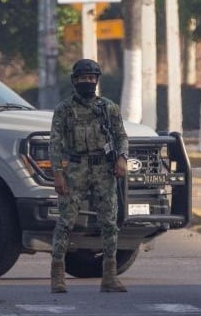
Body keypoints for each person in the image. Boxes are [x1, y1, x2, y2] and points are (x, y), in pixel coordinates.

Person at [49, 58, 129, 294]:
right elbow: (54, 142)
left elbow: (121, 136)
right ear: (75, 81)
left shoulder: (108, 108)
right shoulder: (64, 109)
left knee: (109, 223)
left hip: (103, 169)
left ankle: (110, 277)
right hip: (75, 168)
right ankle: (57, 276)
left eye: (91, 78)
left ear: (96, 80)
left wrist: (122, 158)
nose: (87, 82)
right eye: (82, 78)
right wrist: (58, 173)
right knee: (65, 222)